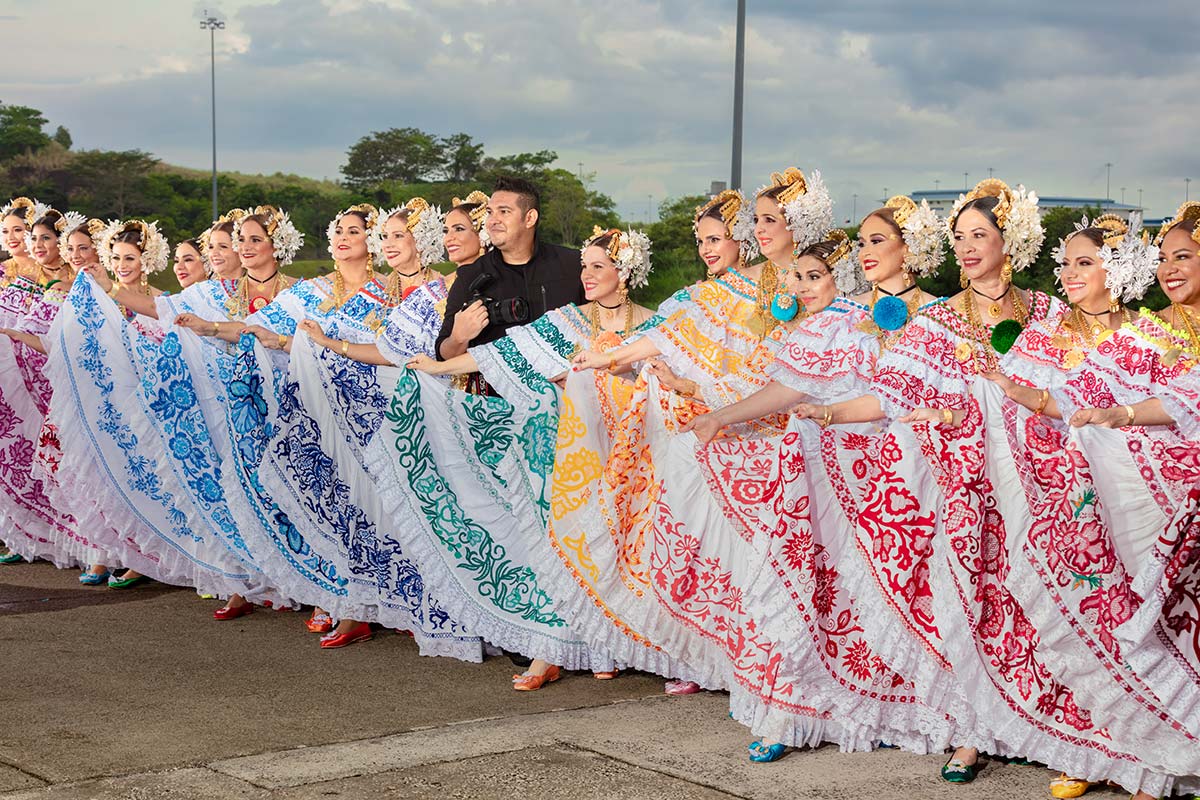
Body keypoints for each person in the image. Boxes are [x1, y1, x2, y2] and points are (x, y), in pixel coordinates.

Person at [388, 226, 660, 687]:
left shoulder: (653, 324)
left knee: (616, 549)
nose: (586, 275)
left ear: (626, 272)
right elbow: (501, 355)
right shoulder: (569, 321)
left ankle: (611, 644)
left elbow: (666, 384)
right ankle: (550, 651)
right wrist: (439, 366)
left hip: (629, 457)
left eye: (598, 266)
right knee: (564, 545)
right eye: (584, 266)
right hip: (569, 455)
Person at [435, 176, 584, 395]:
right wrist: (459, 337)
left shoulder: (573, 266)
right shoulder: (471, 277)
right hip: (497, 406)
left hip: (567, 401)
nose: (492, 221)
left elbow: (602, 327)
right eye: (490, 212)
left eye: (504, 212)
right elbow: (444, 355)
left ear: (529, 218)